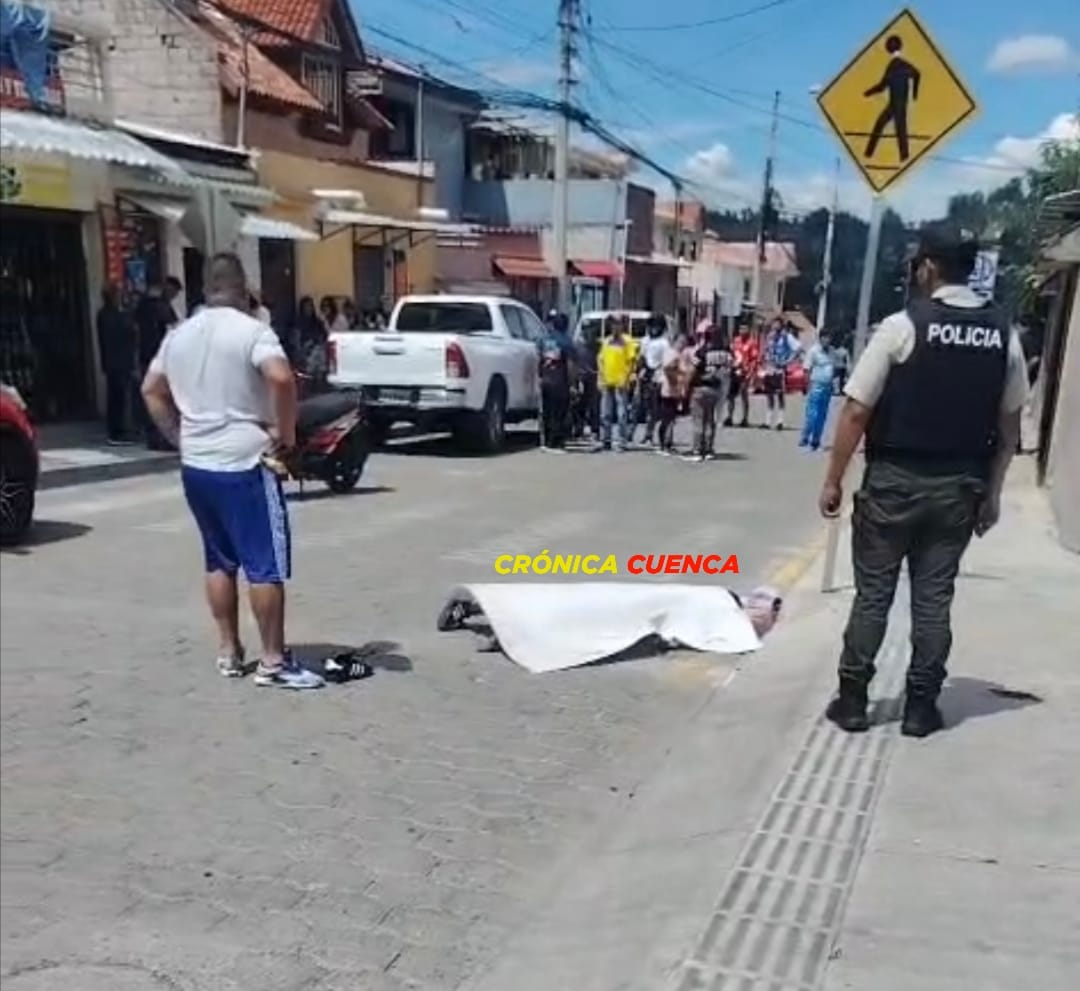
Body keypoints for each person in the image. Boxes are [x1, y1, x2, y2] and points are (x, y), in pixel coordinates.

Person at [819, 225, 1027, 738]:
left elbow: (855, 411)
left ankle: (851, 702)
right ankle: (920, 708)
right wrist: (993, 494)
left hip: (893, 481)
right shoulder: (1004, 335)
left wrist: (833, 479)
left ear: (928, 267)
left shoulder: (901, 326)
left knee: (873, 596)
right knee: (934, 599)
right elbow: (1009, 427)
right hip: (960, 486)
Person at [141, 253, 324, 690]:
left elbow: (151, 389)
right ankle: (274, 662)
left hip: (197, 464)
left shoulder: (179, 335)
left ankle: (228, 651)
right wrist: (286, 432)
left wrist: (177, 435)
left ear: (206, 288)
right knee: (264, 564)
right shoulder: (252, 331)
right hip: (245, 461)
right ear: (243, 290)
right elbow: (281, 378)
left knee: (218, 559)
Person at [96, 284, 137, 445]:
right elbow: (124, 333)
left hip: (120, 362)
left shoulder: (113, 314)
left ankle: (121, 429)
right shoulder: (108, 315)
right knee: (116, 398)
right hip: (116, 362)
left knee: (120, 397)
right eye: (118, 294)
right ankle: (116, 432)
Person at [686, 325, 733, 462]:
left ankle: (697, 449)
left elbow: (693, 369)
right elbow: (732, 366)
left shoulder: (703, 351)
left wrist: (687, 385)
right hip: (716, 389)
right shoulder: (727, 352)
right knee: (710, 420)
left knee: (698, 420)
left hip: (701, 387)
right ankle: (708, 449)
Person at [537, 312, 574, 451]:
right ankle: (556, 442)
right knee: (560, 412)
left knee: (547, 411)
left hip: (546, 380)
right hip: (560, 382)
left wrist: (539, 376)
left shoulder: (543, 340)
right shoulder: (566, 341)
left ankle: (546, 441)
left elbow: (538, 358)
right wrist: (573, 383)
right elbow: (570, 363)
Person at [596, 317, 634, 452]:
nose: (615, 327)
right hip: (607, 381)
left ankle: (621, 442)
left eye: (617, 324)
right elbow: (600, 360)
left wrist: (627, 377)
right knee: (605, 413)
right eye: (613, 325)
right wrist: (600, 378)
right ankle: (606, 440)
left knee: (621, 413)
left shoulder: (627, 341)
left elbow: (631, 362)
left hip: (621, 382)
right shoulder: (606, 341)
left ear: (621, 326)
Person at [760, 319, 801, 430]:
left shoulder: (786, 337)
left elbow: (798, 348)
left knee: (780, 395)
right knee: (769, 395)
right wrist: (763, 361)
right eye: (774, 324)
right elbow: (765, 350)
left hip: (780, 369)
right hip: (769, 368)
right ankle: (768, 421)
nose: (775, 326)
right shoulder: (770, 336)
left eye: (777, 324)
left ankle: (780, 421)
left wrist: (788, 361)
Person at [800, 332, 836, 452]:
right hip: (815, 385)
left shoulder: (832, 351)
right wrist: (806, 385)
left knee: (822, 414)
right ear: (820, 338)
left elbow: (833, 368)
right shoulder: (813, 351)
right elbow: (806, 369)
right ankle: (805, 436)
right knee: (812, 414)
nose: (827, 340)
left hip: (828, 386)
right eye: (825, 338)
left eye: (829, 338)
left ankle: (816, 440)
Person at [636, 315, 668, 446]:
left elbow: (665, 360)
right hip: (646, 375)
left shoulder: (664, 342)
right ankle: (645, 433)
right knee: (644, 406)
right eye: (651, 326)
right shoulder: (645, 341)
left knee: (655, 408)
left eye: (656, 326)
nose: (653, 329)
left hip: (658, 376)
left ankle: (650, 433)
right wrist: (640, 370)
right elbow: (641, 357)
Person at [725, 325, 759, 427]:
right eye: (740, 329)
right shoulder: (736, 341)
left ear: (748, 330)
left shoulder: (752, 342)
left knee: (744, 396)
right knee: (730, 396)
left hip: (745, 372)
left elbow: (754, 359)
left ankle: (745, 418)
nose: (742, 331)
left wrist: (751, 372)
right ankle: (729, 417)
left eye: (745, 328)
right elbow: (730, 354)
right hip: (734, 371)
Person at [656, 332, 684, 455]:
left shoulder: (677, 354)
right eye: (681, 342)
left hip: (674, 390)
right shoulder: (671, 353)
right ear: (675, 341)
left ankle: (669, 443)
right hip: (668, 390)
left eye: (684, 342)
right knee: (667, 418)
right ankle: (663, 445)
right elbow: (668, 369)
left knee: (672, 418)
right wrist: (674, 383)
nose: (683, 344)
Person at [297, 296, 330, 386]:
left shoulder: (316, 320)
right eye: (306, 306)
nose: (309, 308)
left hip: (318, 346)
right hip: (307, 347)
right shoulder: (299, 321)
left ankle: (319, 383)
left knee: (321, 361)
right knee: (309, 367)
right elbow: (296, 336)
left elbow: (324, 333)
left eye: (310, 306)